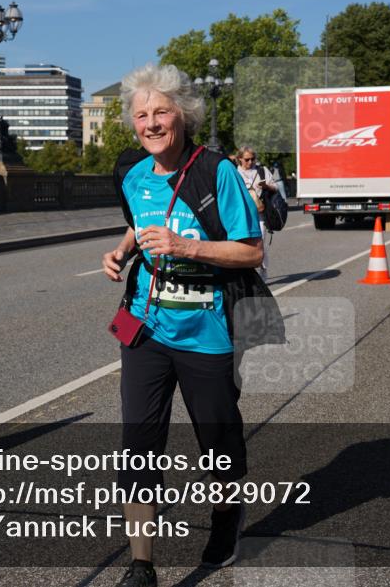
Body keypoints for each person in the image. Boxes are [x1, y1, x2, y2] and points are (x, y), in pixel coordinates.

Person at [103, 63, 266, 586]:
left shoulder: (215, 172)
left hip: (208, 334)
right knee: (138, 444)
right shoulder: (131, 174)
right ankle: (141, 565)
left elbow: (252, 251)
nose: (151, 123)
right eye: (141, 114)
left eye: (161, 112)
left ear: (183, 115)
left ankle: (226, 515)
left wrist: (186, 246)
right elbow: (139, 221)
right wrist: (122, 250)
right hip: (146, 330)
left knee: (218, 447)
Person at [236, 147, 278, 281]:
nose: (250, 162)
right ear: (240, 159)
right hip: (242, 215)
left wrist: (266, 186)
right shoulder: (234, 173)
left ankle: (263, 273)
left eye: (252, 159)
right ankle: (247, 275)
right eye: (247, 159)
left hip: (260, 214)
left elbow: (275, 187)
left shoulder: (262, 171)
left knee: (261, 245)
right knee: (242, 245)